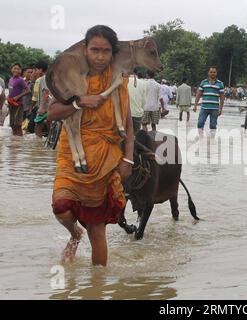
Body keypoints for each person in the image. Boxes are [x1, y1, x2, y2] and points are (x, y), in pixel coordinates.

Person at [47, 25, 134, 266]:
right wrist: (79, 103)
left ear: (112, 53)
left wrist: (128, 158)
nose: (100, 56)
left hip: (105, 158)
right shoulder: (71, 76)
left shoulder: (120, 81)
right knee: (61, 207)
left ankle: (97, 286)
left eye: (106, 51)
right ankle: (75, 233)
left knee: (97, 229)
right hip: (72, 155)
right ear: (84, 50)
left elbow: (128, 124)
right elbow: (52, 114)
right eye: (94, 50)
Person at [193, 66, 225, 137]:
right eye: (211, 72)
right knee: (200, 123)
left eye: (214, 72)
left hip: (215, 108)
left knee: (213, 125)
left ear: (216, 73)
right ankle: (201, 138)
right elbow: (198, 94)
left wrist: (221, 109)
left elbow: (222, 97)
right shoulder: (203, 82)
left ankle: (212, 140)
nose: (212, 73)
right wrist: (195, 105)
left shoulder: (220, 84)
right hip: (204, 107)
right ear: (208, 73)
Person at [7, 63, 30, 136]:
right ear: (11, 69)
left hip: (19, 105)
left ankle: (20, 142)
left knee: (18, 125)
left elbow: (28, 90)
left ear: (20, 71)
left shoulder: (20, 80)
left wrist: (18, 97)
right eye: (14, 68)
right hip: (11, 104)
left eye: (18, 69)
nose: (16, 70)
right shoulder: (10, 79)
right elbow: (11, 91)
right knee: (12, 124)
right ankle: (15, 143)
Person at [31, 61, 50, 138]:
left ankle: (38, 146)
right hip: (53, 106)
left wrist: (42, 108)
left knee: (38, 126)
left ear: (41, 70)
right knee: (50, 124)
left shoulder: (42, 79)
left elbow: (46, 93)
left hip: (45, 107)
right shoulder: (51, 77)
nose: (35, 72)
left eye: (36, 70)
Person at [128, 67, 146, 136]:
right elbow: (144, 101)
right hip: (137, 113)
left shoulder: (123, 81)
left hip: (125, 114)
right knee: (135, 136)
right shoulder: (142, 83)